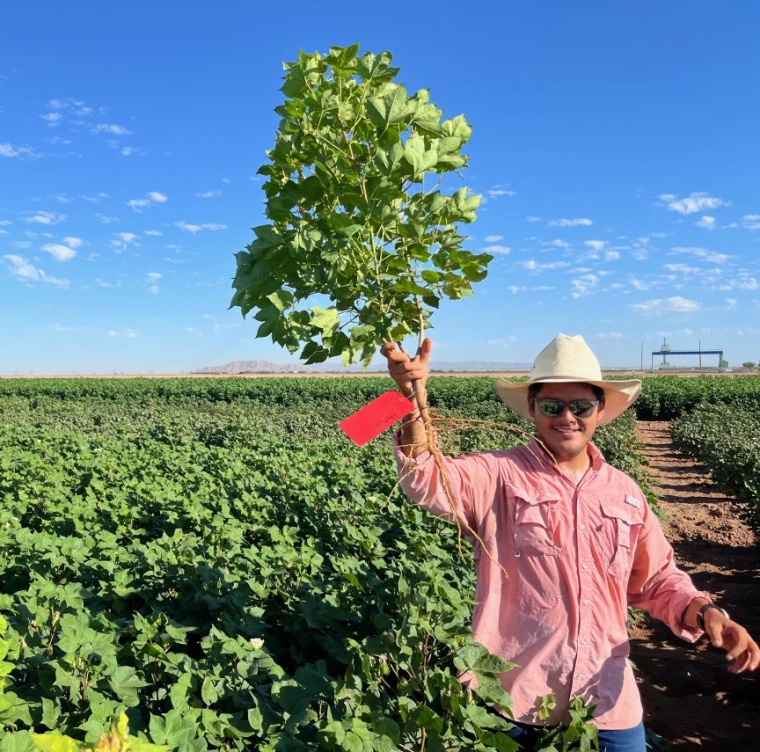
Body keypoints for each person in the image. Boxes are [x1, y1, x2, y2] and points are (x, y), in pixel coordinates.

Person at [381, 333, 760, 752]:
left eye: (580, 406)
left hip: (606, 703)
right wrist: (411, 399)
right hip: (510, 704)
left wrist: (707, 611)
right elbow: (425, 480)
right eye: (551, 406)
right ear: (532, 408)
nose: (567, 417)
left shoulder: (625, 493)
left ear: (599, 410)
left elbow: (656, 580)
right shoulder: (497, 475)